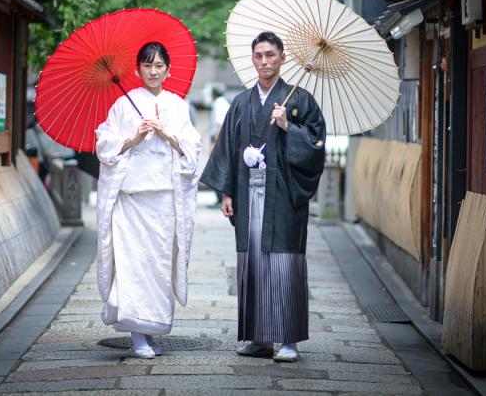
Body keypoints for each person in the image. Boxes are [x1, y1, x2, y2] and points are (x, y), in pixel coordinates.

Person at [200, 31, 326, 362]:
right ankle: (258, 337)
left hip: (283, 194)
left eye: (271, 55)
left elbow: (316, 148)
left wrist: (288, 127)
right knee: (252, 264)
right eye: (258, 56)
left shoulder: (300, 100)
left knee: (284, 264)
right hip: (248, 190)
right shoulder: (241, 103)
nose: (264, 61)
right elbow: (226, 147)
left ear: (283, 58)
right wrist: (227, 190)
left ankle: (288, 339)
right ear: (252, 59)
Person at [94, 42, 202, 359]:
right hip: (131, 200)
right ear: (138, 69)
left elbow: (193, 147)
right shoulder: (123, 105)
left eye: (159, 66)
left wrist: (169, 135)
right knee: (132, 265)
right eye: (147, 65)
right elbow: (104, 144)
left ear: (168, 69)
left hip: (164, 201)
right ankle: (137, 335)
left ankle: (152, 328)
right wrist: (134, 138)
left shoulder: (178, 106)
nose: (153, 72)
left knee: (157, 266)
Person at [209, 83, 231, 206]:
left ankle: (221, 197)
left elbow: (220, 123)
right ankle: (220, 197)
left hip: (219, 139)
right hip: (223, 139)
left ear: (214, 93)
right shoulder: (225, 103)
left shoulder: (218, 104)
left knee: (217, 169)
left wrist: (215, 142)